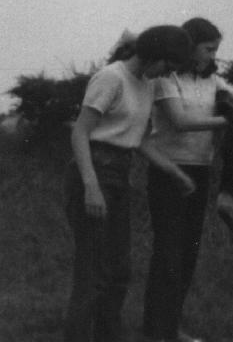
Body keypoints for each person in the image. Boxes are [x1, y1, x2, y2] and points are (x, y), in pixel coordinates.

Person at [64, 25, 194, 342]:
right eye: (168, 65)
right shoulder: (111, 78)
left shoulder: (147, 83)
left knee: (118, 271)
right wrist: (91, 187)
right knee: (92, 273)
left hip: (120, 175)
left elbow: (138, 139)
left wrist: (173, 171)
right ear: (152, 54)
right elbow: (80, 132)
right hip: (94, 170)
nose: (168, 74)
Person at [141, 18, 233, 342]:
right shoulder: (166, 78)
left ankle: (167, 328)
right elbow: (180, 121)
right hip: (168, 170)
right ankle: (157, 330)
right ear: (189, 46)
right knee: (168, 253)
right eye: (208, 49)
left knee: (187, 254)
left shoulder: (213, 80)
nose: (212, 56)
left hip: (200, 170)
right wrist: (229, 121)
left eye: (216, 50)